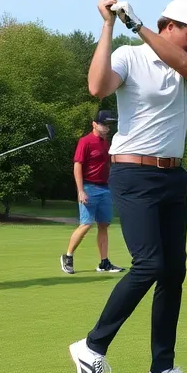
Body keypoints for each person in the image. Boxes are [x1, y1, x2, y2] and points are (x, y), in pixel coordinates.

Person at [68, 0, 187, 373]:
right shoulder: (129, 56)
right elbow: (97, 87)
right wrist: (110, 25)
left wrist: (137, 25)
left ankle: (162, 371)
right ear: (169, 25)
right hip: (132, 172)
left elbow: (185, 64)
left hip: (173, 175)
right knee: (150, 263)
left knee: (174, 272)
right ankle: (92, 348)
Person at [60, 109, 125, 275]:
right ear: (94, 124)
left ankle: (104, 262)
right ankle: (67, 256)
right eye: (104, 124)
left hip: (105, 188)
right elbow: (77, 165)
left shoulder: (106, 143)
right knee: (86, 224)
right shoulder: (85, 141)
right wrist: (80, 190)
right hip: (89, 187)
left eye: (109, 125)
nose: (107, 128)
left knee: (104, 225)